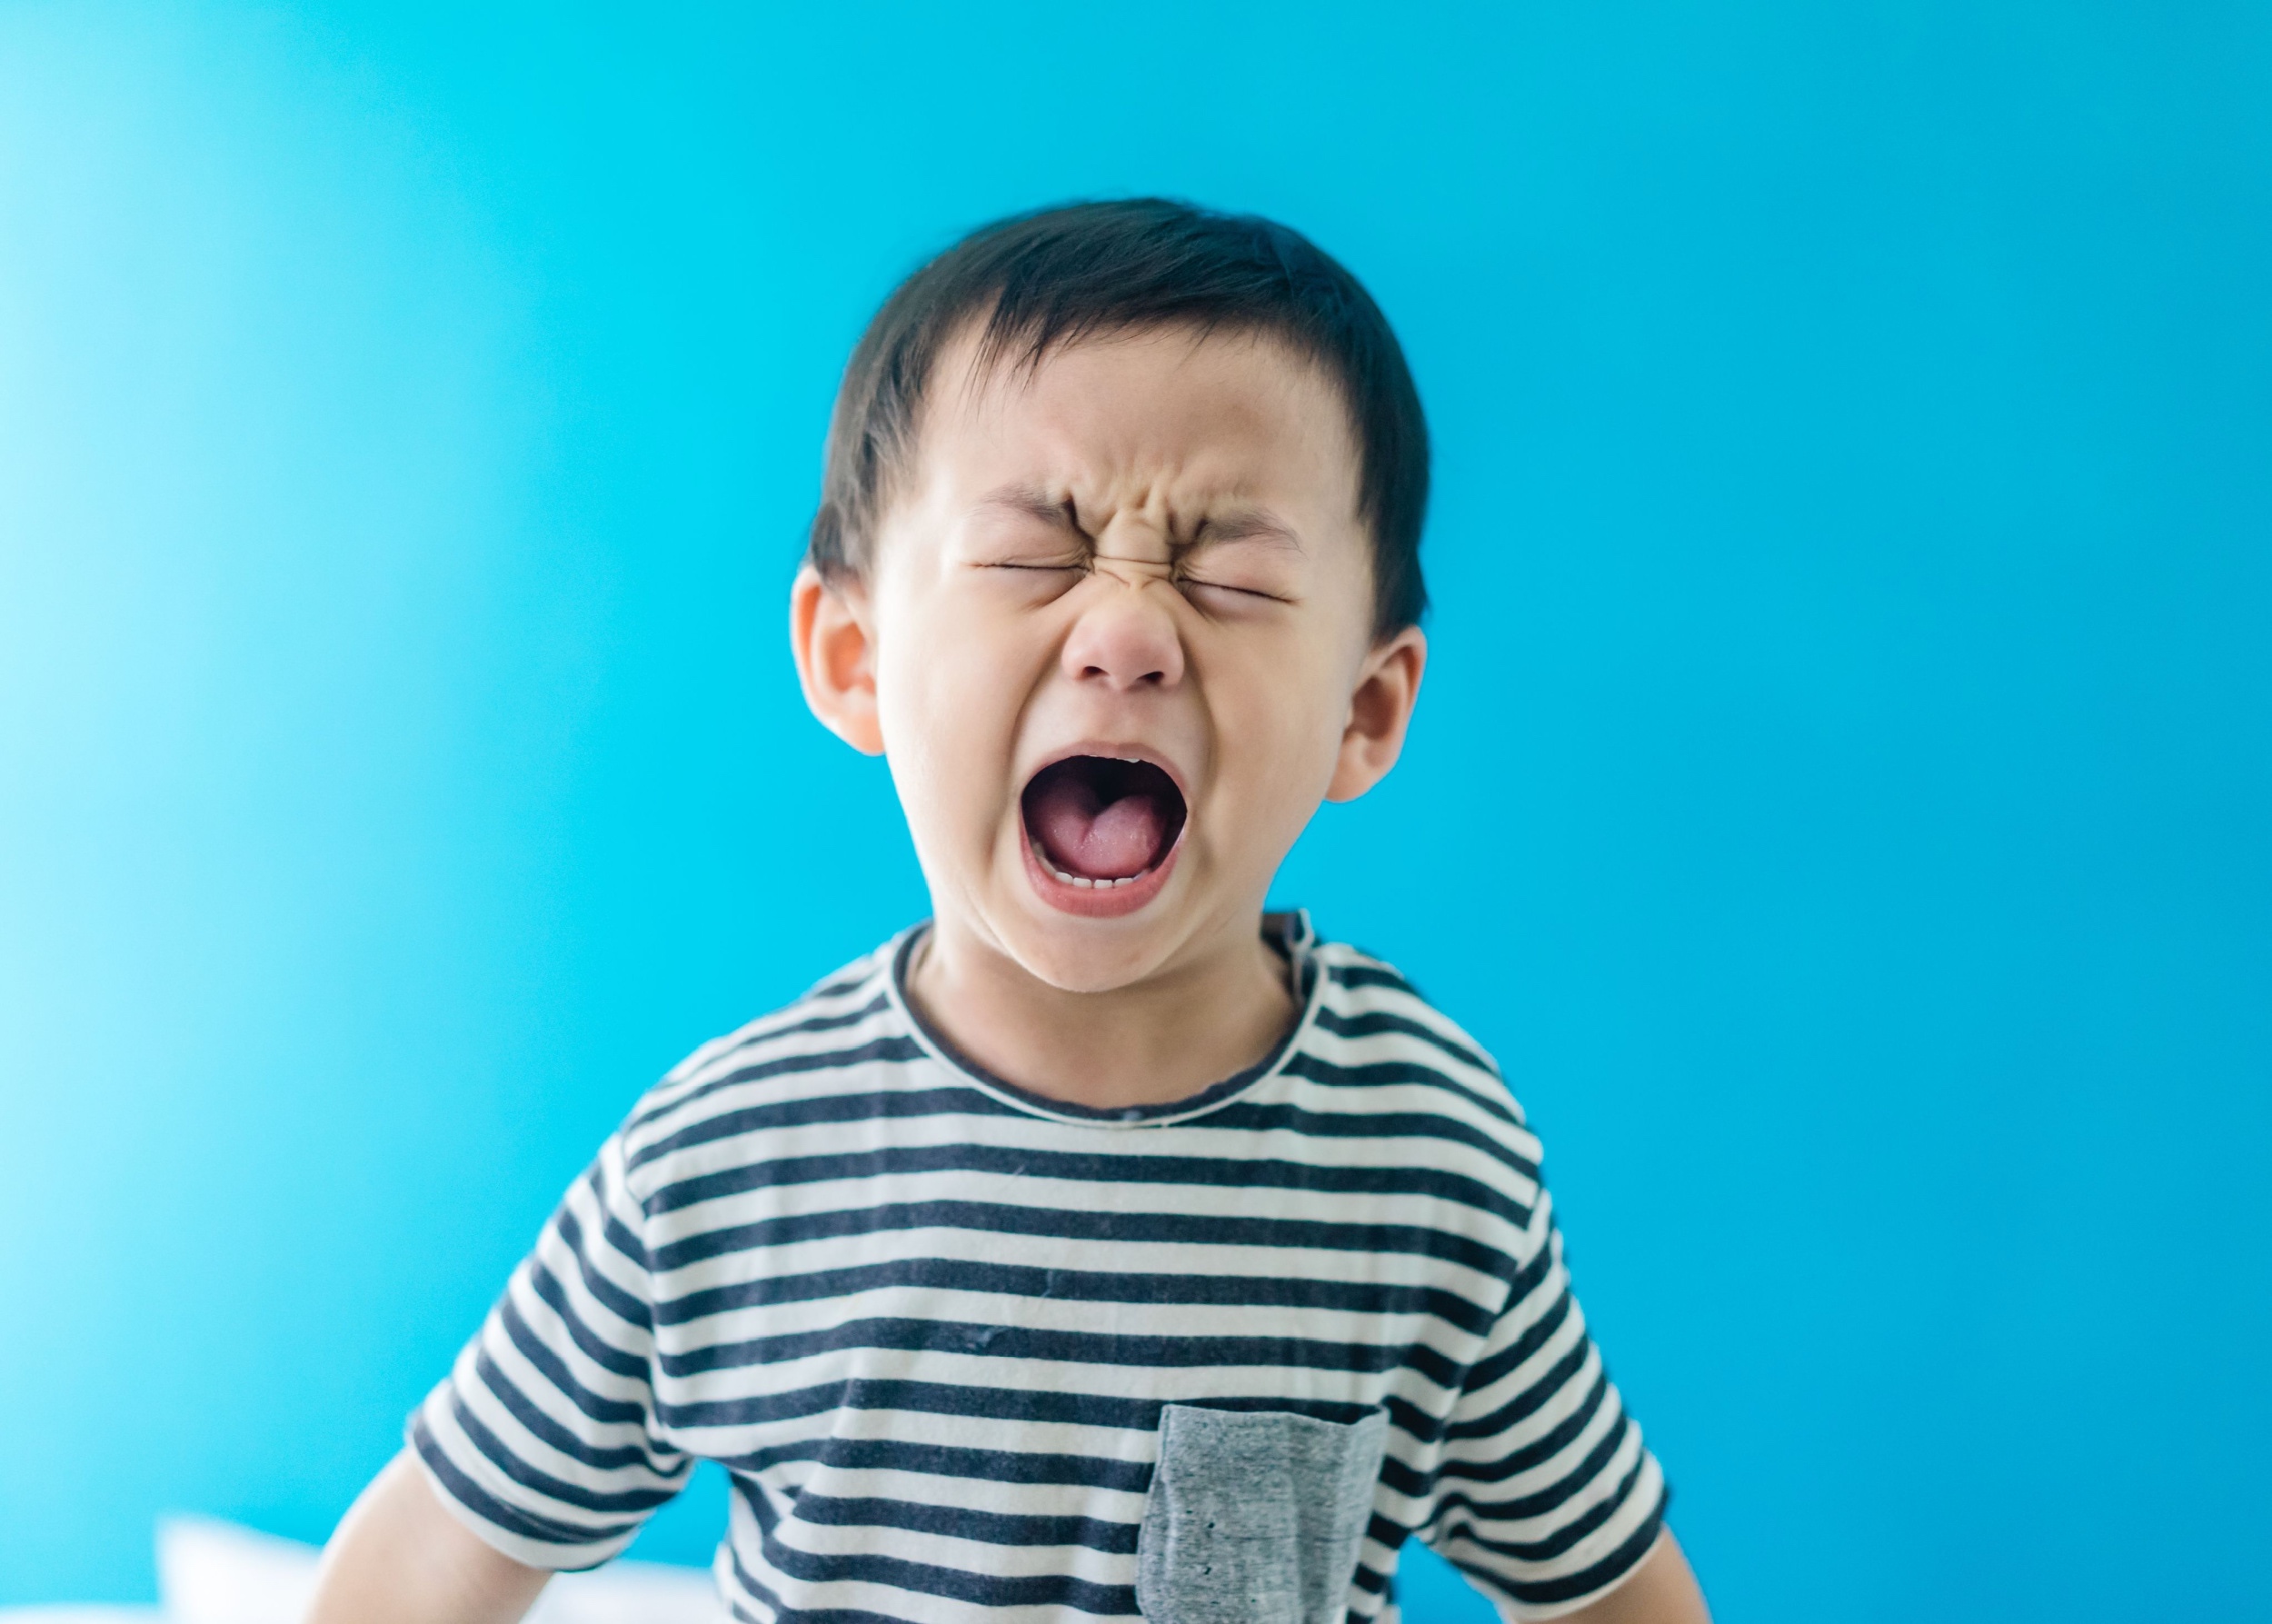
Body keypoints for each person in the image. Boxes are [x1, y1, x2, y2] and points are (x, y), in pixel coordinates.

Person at [306, 199, 1711, 1624]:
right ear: (855, 657)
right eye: (1037, 553)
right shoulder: (726, 1165)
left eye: (1231, 573)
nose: (1128, 636)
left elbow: (1610, 1592)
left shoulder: (1424, 1158)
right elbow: (429, 1561)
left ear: (1365, 708)